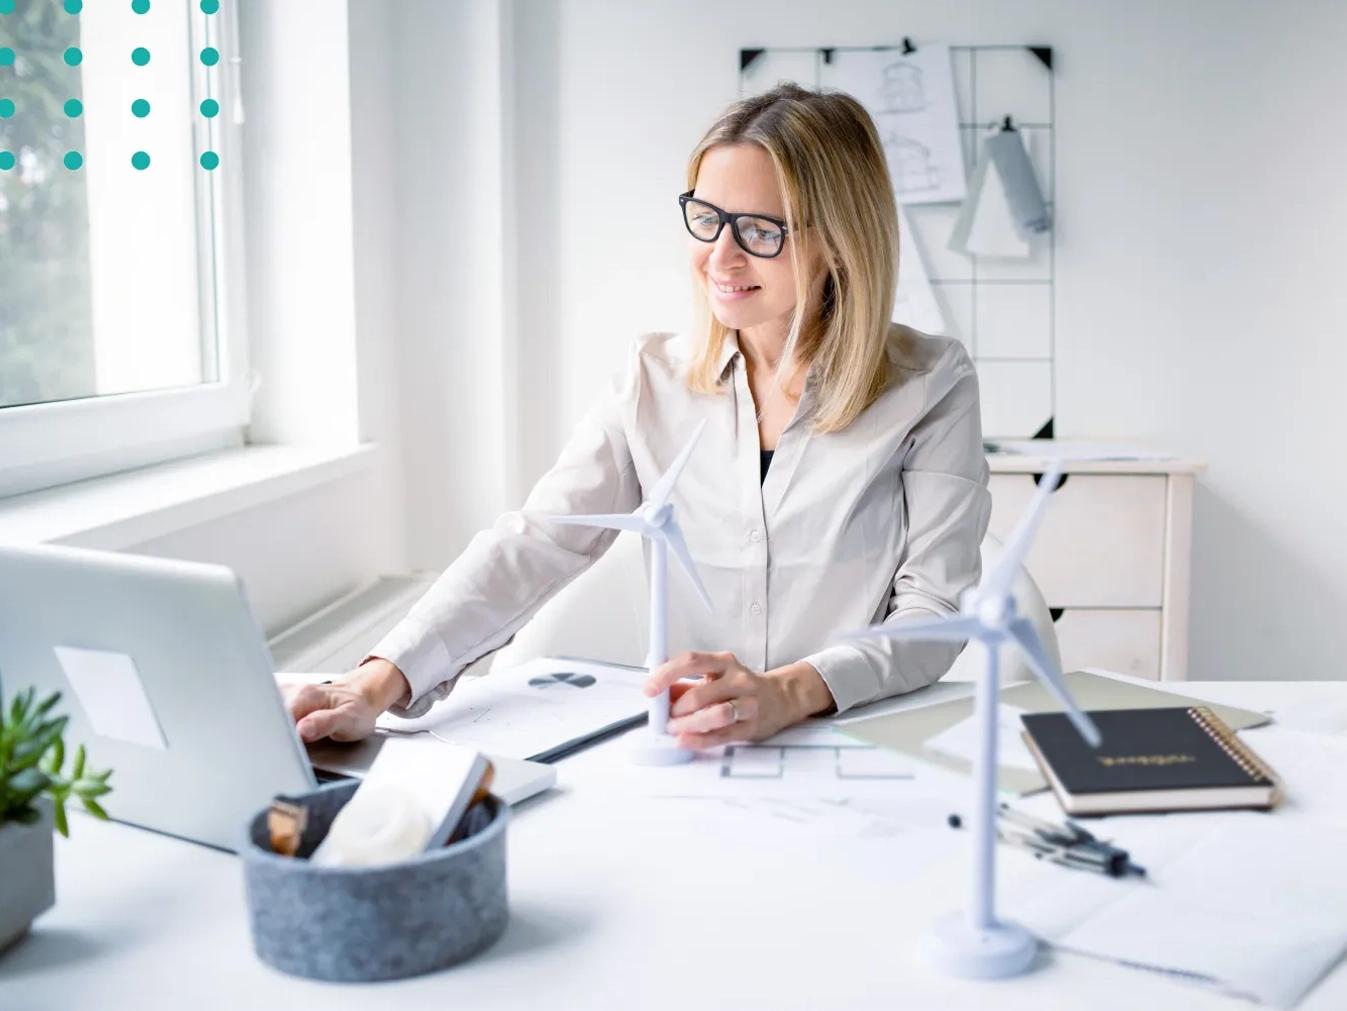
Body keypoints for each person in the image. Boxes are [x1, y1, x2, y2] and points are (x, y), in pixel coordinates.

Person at [285, 82, 991, 751]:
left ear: (837, 241)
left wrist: (786, 693)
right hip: (688, 743)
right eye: (708, 218)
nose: (720, 255)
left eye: (759, 231)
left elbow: (932, 611)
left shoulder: (928, 384)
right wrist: (375, 681)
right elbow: (536, 543)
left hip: (856, 740)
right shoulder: (653, 378)